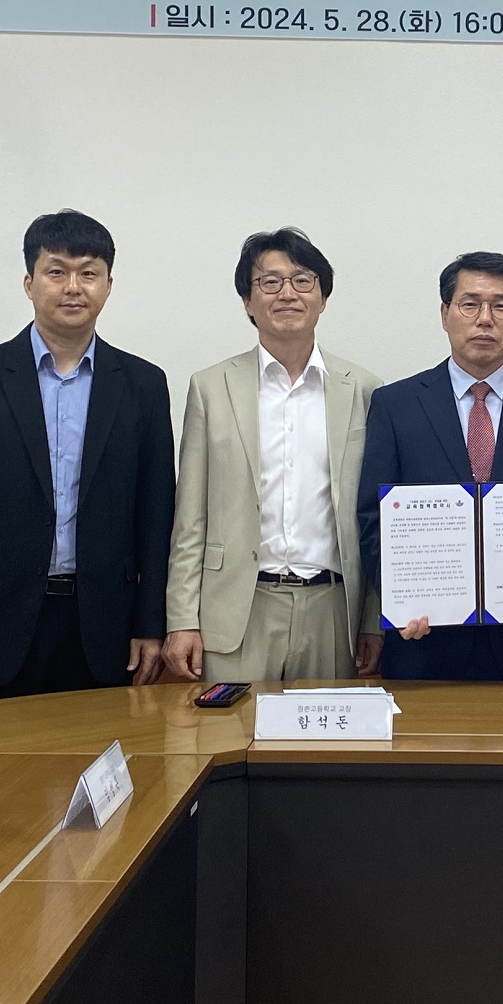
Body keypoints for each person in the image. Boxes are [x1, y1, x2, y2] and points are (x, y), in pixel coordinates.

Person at [0, 210, 175, 700]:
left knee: (104, 749)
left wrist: (152, 623)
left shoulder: (143, 385)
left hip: (107, 625)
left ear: (108, 286)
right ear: (29, 283)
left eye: (88, 273)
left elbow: (156, 513)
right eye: (57, 271)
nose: (73, 287)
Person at [164, 228, 381, 684]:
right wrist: (181, 618)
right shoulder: (211, 388)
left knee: (324, 731)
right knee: (230, 728)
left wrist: (372, 620)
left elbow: (373, 517)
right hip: (237, 607)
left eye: (303, 281)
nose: (287, 293)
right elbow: (190, 518)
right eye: (270, 282)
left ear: (323, 298)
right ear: (248, 300)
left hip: (333, 608)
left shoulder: (363, 389)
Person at [358, 251, 503, 683]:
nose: (485, 319)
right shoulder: (395, 405)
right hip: (423, 641)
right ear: (445, 314)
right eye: (470, 304)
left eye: (501, 306)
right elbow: (372, 517)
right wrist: (400, 600)